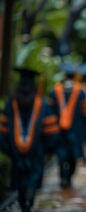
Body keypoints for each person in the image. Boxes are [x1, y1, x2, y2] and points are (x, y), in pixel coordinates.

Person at [0, 68, 60, 212]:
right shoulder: (42, 104)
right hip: (36, 152)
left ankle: (24, 202)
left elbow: (3, 130)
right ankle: (28, 201)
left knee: (20, 180)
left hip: (16, 152)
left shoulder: (11, 103)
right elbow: (50, 132)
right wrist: (47, 147)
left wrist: (7, 147)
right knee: (32, 179)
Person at [48, 63, 86, 187]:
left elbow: (49, 111)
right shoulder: (80, 92)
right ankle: (68, 177)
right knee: (73, 156)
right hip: (76, 131)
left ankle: (63, 177)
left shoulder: (54, 92)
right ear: (74, 76)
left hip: (58, 130)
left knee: (61, 155)